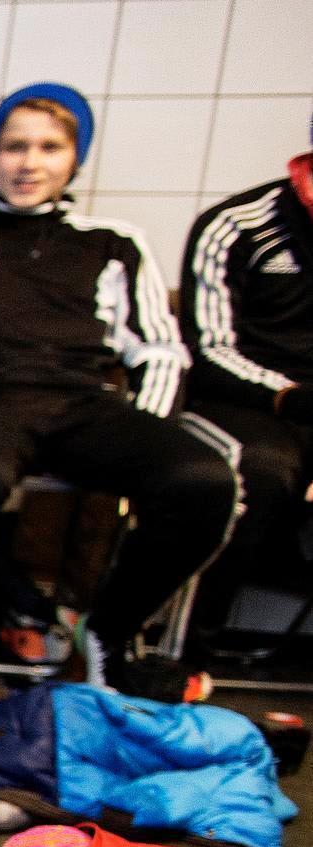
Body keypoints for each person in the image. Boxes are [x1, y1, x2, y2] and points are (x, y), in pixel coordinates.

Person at [0, 82, 226, 697]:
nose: (29, 163)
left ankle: (110, 632)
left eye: (49, 147)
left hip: (83, 404)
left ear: (74, 159)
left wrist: (144, 435)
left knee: (205, 483)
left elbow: (160, 348)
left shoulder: (114, 242)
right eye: (14, 147)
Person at [178, 112, 313, 627]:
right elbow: (209, 349)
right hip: (248, 402)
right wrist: (291, 395)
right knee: (259, 474)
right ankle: (192, 641)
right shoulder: (237, 224)